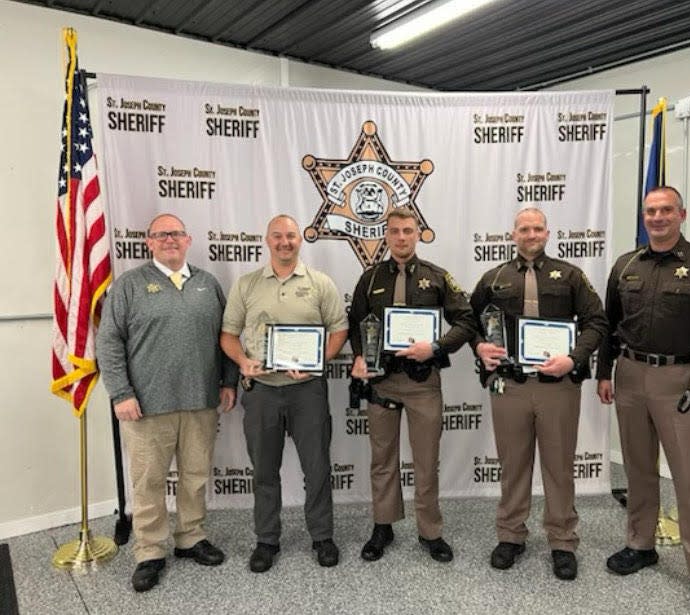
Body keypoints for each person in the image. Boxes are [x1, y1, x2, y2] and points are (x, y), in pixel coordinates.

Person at [596, 186, 690, 615]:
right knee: (638, 469)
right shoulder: (626, 265)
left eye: (666, 210)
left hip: (680, 379)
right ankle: (640, 544)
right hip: (631, 374)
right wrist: (604, 371)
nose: (657, 217)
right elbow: (610, 324)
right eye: (651, 211)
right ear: (643, 216)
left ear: (682, 214)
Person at [97, 213, 238, 592]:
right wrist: (120, 393)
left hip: (200, 402)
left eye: (176, 233)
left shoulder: (208, 285)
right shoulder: (129, 286)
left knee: (194, 477)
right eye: (161, 235)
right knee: (148, 482)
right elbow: (108, 342)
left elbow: (226, 337)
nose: (170, 240)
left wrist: (229, 380)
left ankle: (191, 537)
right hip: (145, 407)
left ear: (188, 239)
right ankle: (150, 551)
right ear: (149, 242)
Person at [469, 207, 608, 579]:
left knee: (559, 466)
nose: (530, 234)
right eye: (523, 228)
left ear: (548, 234)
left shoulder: (571, 276)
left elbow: (597, 322)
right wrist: (480, 346)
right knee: (513, 466)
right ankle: (511, 535)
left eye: (537, 228)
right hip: (510, 385)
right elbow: (467, 320)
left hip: (558, 386)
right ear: (512, 234)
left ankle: (562, 540)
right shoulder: (493, 278)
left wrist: (574, 357)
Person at [220, 214, 348, 572]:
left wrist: (317, 360)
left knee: (318, 468)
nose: (284, 242)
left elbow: (339, 329)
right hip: (262, 391)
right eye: (277, 236)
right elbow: (228, 335)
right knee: (264, 470)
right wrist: (243, 361)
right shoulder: (246, 285)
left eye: (290, 236)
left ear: (299, 241)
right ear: (267, 240)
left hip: (307, 390)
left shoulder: (320, 283)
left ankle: (322, 536)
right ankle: (266, 540)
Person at [349, 207, 476, 563]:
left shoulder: (437, 277)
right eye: (394, 231)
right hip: (382, 381)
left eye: (407, 230)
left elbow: (466, 321)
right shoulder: (370, 278)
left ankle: (430, 531)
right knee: (382, 459)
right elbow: (355, 319)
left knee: (426, 460)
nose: (401, 237)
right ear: (386, 235)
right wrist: (359, 356)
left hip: (423, 383)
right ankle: (383, 525)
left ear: (417, 233)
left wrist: (436, 347)